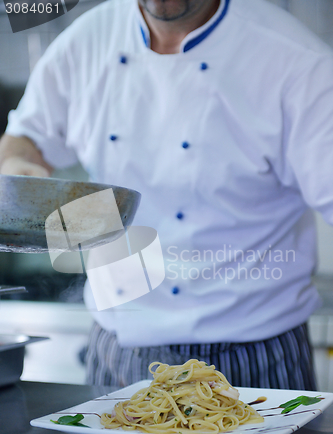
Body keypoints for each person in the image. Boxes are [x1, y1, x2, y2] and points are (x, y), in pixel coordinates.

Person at [1, 0, 333, 390]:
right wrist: (20, 172)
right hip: (119, 351)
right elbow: (23, 140)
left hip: (256, 356)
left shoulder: (297, 62)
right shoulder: (88, 39)